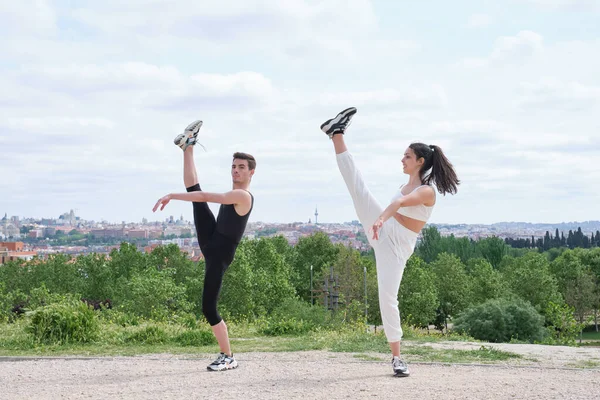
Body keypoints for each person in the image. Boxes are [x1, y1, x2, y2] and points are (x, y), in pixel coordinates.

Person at [320, 107, 459, 377]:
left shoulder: (426, 191)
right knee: (357, 187)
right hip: (384, 229)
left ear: (420, 161)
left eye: (407, 156)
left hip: (395, 246)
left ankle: (397, 357)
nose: (402, 159)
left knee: (388, 298)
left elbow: (399, 203)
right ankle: (336, 133)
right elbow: (395, 202)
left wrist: (381, 218)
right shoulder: (407, 183)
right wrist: (381, 221)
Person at [153, 120, 256, 372]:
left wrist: (172, 195)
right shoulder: (234, 192)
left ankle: (228, 356)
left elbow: (208, 196)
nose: (236, 171)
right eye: (233, 166)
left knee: (209, 307)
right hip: (210, 240)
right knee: (195, 193)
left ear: (251, 172)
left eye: (241, 167)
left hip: (219, 254)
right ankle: (188, 147)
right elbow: (198, 194)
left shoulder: (243, 196)